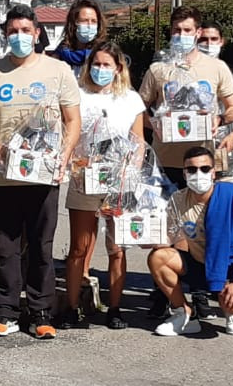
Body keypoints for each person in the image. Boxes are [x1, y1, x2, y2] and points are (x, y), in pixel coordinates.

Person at [0, 5, 82, 339]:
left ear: (37, 33)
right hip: (3, 176)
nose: (19, 36)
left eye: (25, 30)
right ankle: (5, 311)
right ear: (5, 34)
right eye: (13, 31)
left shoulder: (58, 70)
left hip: (44, 175)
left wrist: (65, 154)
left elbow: (72, 119)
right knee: (5, 247)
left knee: (41, 246)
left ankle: (40, 312)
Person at [60, 42, 145, 330]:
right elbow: (68, 134)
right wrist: (70, 165)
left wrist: (131, 174)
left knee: (117, 248)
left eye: (107, 65)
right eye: (96, 64)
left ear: (119, 68)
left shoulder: (131, 100)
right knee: (78, 248)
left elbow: (139, 143)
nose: (100, 70)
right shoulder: (78, 96)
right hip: (84, 180)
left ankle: (116, 308)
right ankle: (72, 308)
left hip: (118, 183)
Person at [149, 145, 233, 336]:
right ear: (184, 174)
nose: (198, 174)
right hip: (201, 265)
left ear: (213, 173)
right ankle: (184, 314)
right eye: (191, 170)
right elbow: (170, 237)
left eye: (204, 169)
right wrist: (149, 238)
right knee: (158, 257)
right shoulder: (178, 200)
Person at [137, 6, 233, 190]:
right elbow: (137, 110)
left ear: (197, 32)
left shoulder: (216, 67)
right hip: (165, 161)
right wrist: (154, 123)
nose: (181, 35)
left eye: (187, 30)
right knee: (167, 216)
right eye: (177, 30)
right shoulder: (158, 69)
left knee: (203, 217)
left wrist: (220, 119)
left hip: (203, 161)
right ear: (170, 32)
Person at [50, 0, 105, 73]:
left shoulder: (102, 51)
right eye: (85, 20)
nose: (89, 25)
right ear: (74, 23)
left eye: (93, 21)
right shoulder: (62, 50)